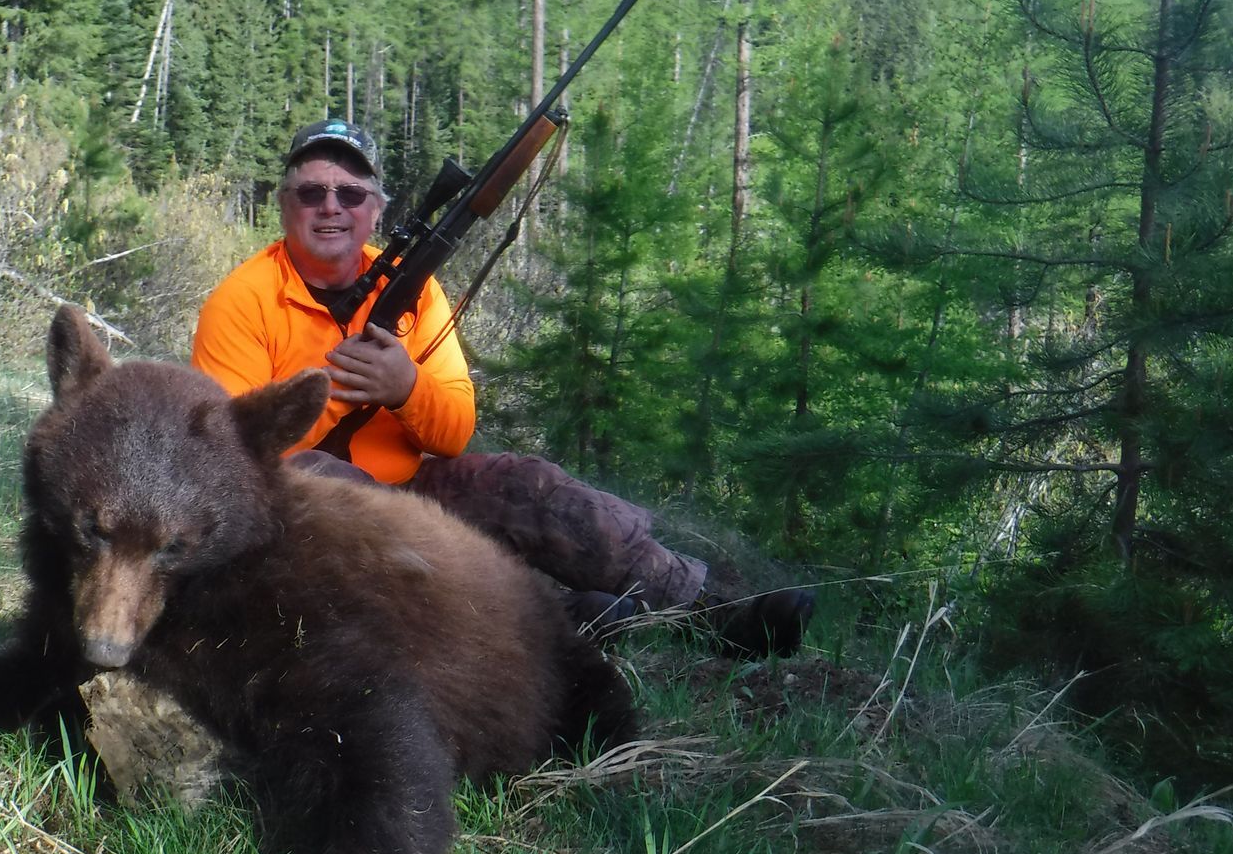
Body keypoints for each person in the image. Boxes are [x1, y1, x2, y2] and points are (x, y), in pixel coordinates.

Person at [191, 118, 811, 655]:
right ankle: (559, 633)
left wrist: (405, 389)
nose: (331, 206)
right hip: (304, 513)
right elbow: (234, 464)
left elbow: (455, 430)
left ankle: (714, 616)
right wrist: (337, 396)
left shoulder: (413, 290)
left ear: (376, 210)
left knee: (528, 486)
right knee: (374, 520)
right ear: (284, 204)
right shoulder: (240, 302)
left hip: (411, 488)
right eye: (313, 192)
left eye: (351, 193)